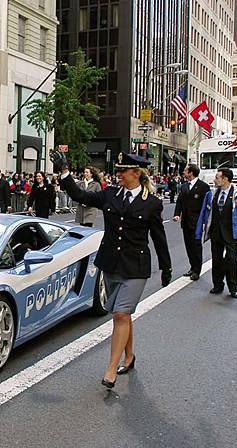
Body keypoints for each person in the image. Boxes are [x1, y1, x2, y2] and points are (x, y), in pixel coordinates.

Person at [52, 151, 172, 389]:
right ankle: (129, 356)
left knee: (120, 314)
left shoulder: (152, 203)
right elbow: (79, 195)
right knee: (119, 312)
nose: (118, 175)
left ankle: (110, 369)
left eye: (122, 172)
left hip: (136, 266)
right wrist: (64, 172)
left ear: (136, 174)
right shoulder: (109, 194)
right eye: (117, 171)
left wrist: (166, 266)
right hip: (111, 263)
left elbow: (159, 238)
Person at [196, 168, 237, 299]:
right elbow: (204, 213)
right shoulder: (211, 194)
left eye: (217, 177)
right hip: (216, 233)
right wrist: (201, 231)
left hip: (231, 233)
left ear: (225, 179)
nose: (214, 180)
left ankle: (233, 287)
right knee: (216, 260)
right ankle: (217, 285)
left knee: (231, 260)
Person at [172, 164, 210, 281]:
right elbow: (179, 202)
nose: (184, 173)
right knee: (188, 246)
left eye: (185, 171)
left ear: (191, 173)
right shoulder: (184, 186)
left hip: (197, 222)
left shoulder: (203, 187)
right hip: (186, 221)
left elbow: (207, 206)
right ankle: (192, 267)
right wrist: (177, 214)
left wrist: (205, 221)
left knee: (196, 246)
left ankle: (197, 270)